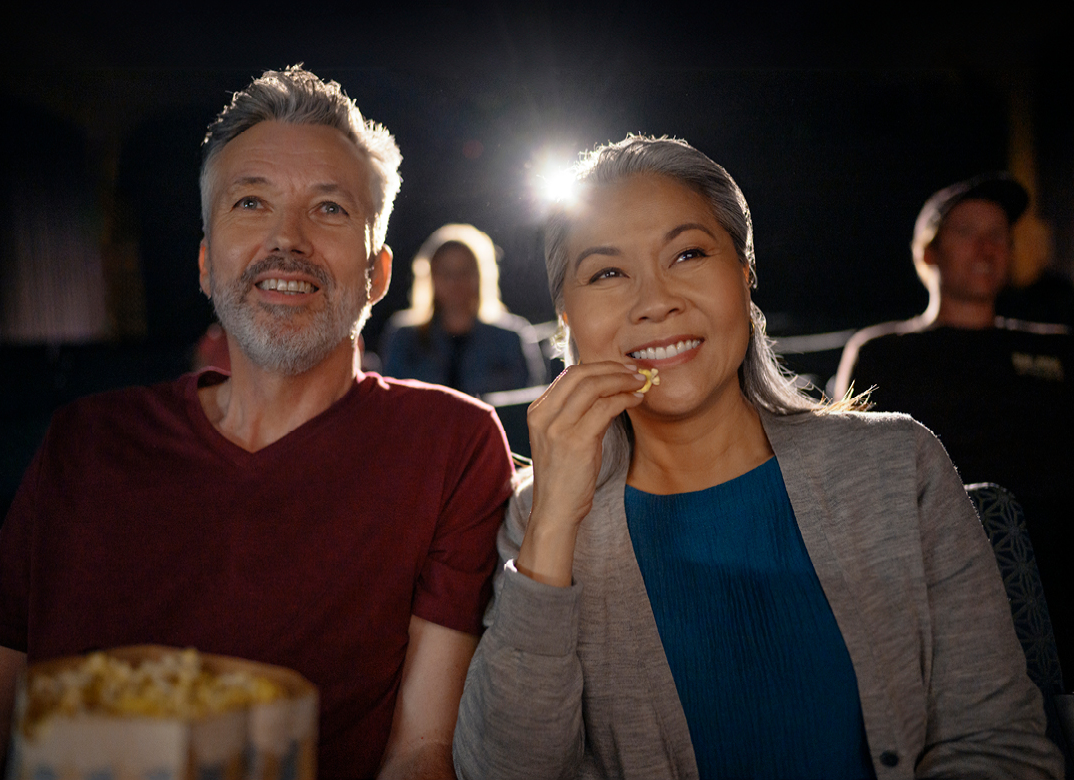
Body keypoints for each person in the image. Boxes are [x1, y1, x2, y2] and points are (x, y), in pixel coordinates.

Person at [452, 137, 1062, 779]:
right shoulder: (536, 518)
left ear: (744, 275)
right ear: (566, 318)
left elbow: (1001, 748)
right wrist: (553, 522)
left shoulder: (899, 466)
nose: (655, 301)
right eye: (607, 273)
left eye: (688, 254)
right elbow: (503, 771)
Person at [0, 66, 514, 780]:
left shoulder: (449, 445)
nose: (286, 239)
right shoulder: (85, 442)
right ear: (207, 264)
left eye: (329, 209)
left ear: (378, 273)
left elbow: (422, 748)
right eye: (250, 202)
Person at [834, 173, 1074, 683]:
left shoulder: (1056, 348)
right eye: (967, 232)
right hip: (943, 582)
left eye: (998, 234)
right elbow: (850, 483)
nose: (987, 247)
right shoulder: (884, 353)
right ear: (929, 252)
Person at [381, 223, 545, 396]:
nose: (455, 282)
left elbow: (529, 401)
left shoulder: (510, 338)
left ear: (480, 275)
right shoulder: (404, 339)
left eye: (464, 272)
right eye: (446, 273)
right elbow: (392, 399)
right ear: (431, 277)